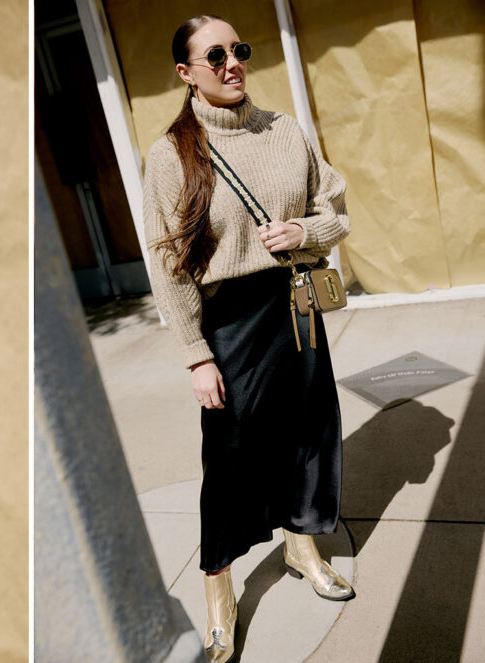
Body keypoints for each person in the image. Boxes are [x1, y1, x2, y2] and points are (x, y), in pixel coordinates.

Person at [142, 14, 355, 663]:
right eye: (216, 55)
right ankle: (219, 594)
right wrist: (196, 354)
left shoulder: (285, 130)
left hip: (293, 301)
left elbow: (335, 207)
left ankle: (302, 544)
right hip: (228, 321)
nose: (232, 62)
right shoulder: (172, 154)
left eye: (240, 49)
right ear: (187, 73)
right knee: (229, 461)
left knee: (307, 431)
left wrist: (306, 235)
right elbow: (168, 262)